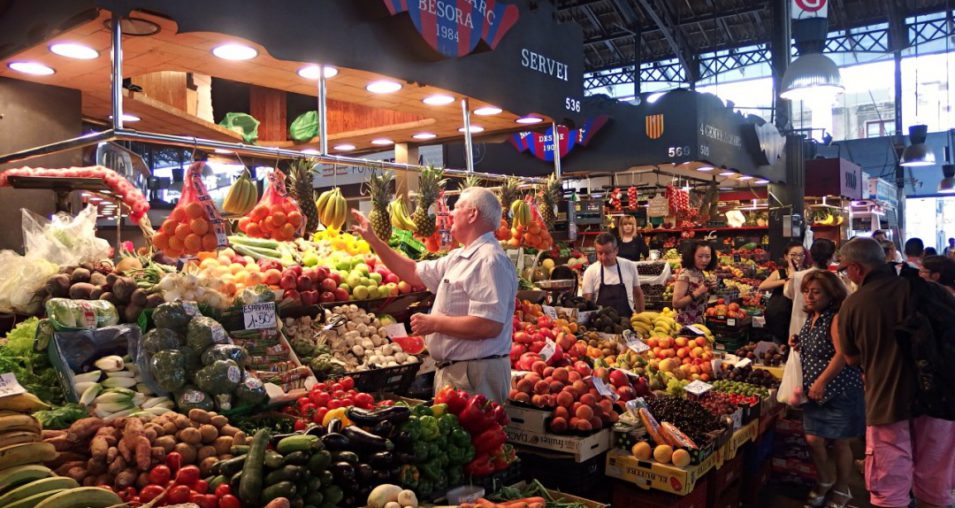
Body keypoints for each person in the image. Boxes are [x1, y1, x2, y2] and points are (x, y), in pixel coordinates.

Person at [350, 187, 517, 404]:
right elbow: (412, 272)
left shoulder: (489, 261)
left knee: (474, 436)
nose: (450, 214)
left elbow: (489, 325)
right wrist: (374, 241)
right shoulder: (459, 257)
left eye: (457, 207)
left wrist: (435, 323)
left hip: (475, 375)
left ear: (472, 214)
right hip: (460, 373)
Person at [837, 237, 955, 508]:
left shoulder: (855, 304)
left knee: (890, 486)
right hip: (940, 398)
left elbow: (851, 357)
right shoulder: (929, 289)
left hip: (888, 400)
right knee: (936, 484)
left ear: (855, 269)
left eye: (845, 270)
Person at [789, 270, 864, 508]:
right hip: (815, 392)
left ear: (830, 294)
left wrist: (821, 382)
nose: (809, 297)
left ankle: (842, 488)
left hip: (840, 390)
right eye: (806, 292)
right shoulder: (813, 317)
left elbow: (842, 355)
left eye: (816, 292)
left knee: (841, 442)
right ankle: (825, 478)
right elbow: (819, 350)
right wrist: (798, 344)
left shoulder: (835, 318)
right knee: (813, 439)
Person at [784, 239, 838, 341]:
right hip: (822, 332)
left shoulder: (798, 276)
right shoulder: (832, 278)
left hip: (797, 328)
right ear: (831, 257)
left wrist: (791, 273)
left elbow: (787, 293)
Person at [582, 233, 644, 316]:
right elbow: (587, 302)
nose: (603, 257)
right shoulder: (590, 271)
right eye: (600, 253)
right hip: (602, 324)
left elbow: (638, 294)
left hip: (627, 322)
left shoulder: (629, 266)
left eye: (607, 253)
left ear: (616, 250)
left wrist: (641, 318)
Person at [759, 242, 806, 343]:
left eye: (801, 255)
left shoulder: (806, 273)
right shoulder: (780, 273)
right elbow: (762, 286)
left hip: (799, 317)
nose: (798, 258)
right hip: (780, 319)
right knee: (780, 349)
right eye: (793, 255)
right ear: (786, 257)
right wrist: (787, 280)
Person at [672, 240, 718, 325]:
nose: (704, 260)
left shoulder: (700, 272)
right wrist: (699, 291)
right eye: (700, 256)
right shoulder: (685, 274)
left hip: (699, 324)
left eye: (707, 256)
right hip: (686, 326)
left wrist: (711, 289)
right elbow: (676, 303)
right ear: (692, 256)